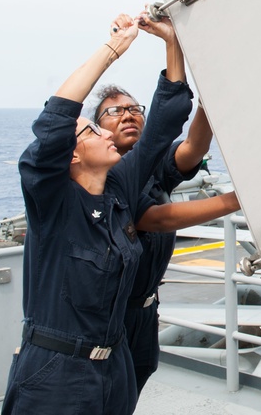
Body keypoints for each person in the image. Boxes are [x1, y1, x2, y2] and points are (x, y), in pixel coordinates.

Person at [2, 12, 241, 415]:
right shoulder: (52, 202)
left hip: (114, 366)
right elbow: (55, 119)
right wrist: (114, 48)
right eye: (94, 130)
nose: (107, 132)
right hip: (57, 374)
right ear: (71, 154)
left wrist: (171, 40)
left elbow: (162, 126)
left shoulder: (118, 189)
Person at [91, 87, 215, 394]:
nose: (128, 115)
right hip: (109, 316)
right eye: (115, 111)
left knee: (134, 383)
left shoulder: (154, 168)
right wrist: (236, 201)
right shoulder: (99, 177)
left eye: (134, 109)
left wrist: (208, 101)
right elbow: (158, 219)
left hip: (146, 311)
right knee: (104, 394)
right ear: (97, 130)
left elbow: (193, 148)